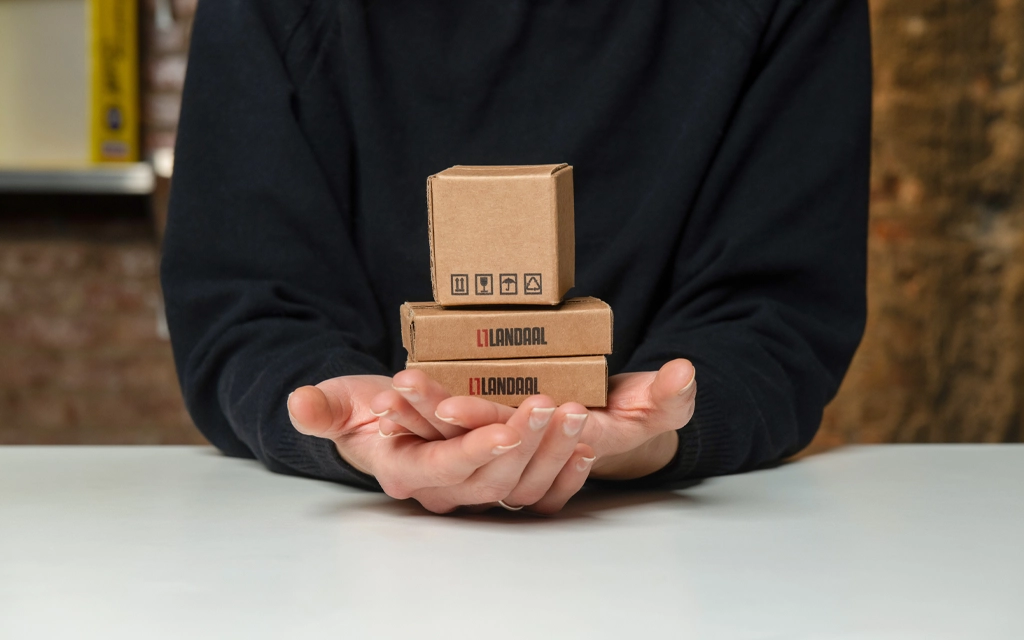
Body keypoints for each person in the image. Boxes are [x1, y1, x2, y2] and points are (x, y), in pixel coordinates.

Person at [161, 0, 870, 514]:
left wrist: (652, 431)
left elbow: (783, 309)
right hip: (346, 553)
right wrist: (349, 425)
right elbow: (242, 299)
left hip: (666, 544)